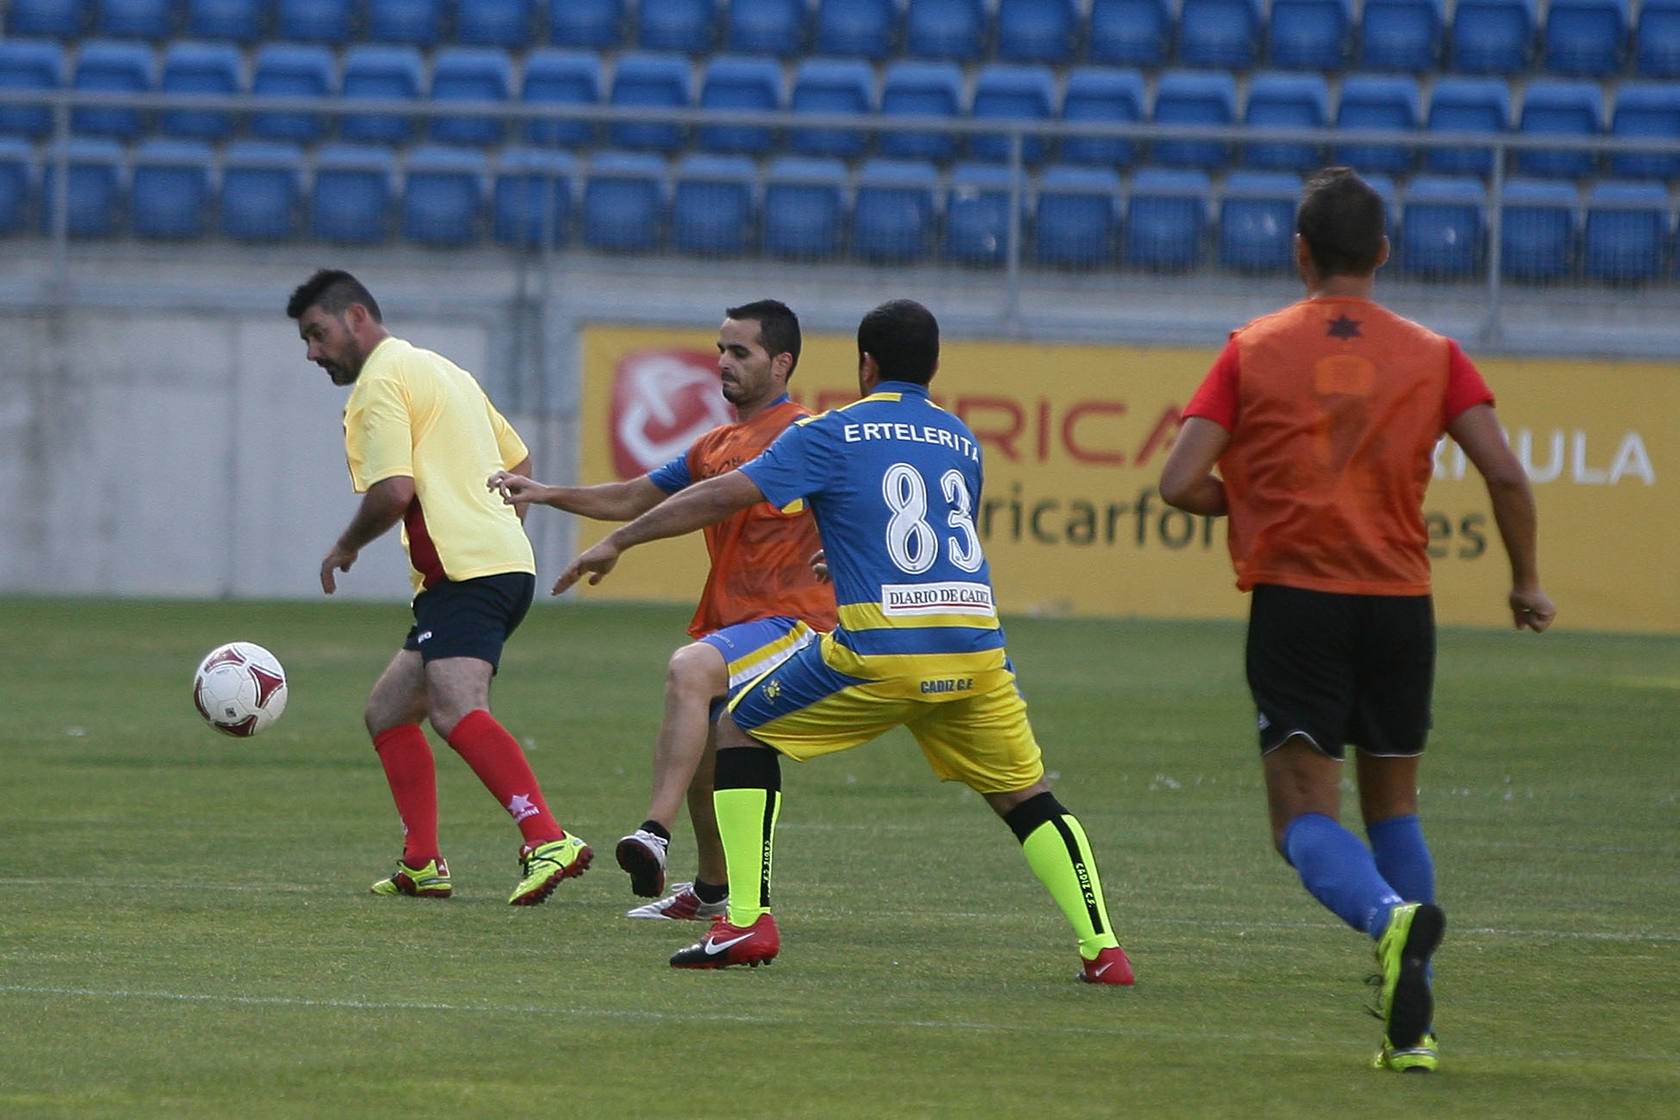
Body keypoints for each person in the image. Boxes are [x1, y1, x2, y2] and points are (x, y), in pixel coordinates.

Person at [554, 298, 1135, 984]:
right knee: (1030, 798)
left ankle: (745, 920)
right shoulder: (963, 440)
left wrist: (620, 538)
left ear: (866, 364)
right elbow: (940, 541)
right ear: (936, 367)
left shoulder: (833, 431)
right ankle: (1104, 949)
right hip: (977, 650)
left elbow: (723, 495)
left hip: (882, 648)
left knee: (740, 730)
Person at [1157, 168, 1556, 1073]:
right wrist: (1526, 580)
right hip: (1400, 603)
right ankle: (1410, 1029)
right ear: (1382, 253)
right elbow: (1504, 473)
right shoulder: (1437, 352)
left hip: (1300, 599)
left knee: (1300, 815)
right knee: (1394, 807)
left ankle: (1387, 921)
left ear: (1300, 253)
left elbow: (1179, 481)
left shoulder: (1252, 347)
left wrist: (1254, 506)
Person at [488, 299, 837, 922]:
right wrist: (548, 493)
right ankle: (711, 892)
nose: (723, 363)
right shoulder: (715, 445)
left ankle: (653, 831)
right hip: (740, 627)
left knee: (689, 670)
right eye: (721, 350)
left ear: (782, 363)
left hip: (798, 625)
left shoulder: (806, 437)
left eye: (741, 352)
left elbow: (851, 507)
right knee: (708, 754)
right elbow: (632, 495)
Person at [287, 268, 591, 906]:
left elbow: (394, 492)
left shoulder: (378, 385)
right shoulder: (442, 369)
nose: (313, 352)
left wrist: (346, 546)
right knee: (389, 711)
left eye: (317, 334)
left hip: (464, 571)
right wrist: (497, 535)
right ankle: (422, 862)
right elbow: (521, 462)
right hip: (499, 563)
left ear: (357, 319)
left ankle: (547, 837)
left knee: (456, 708)